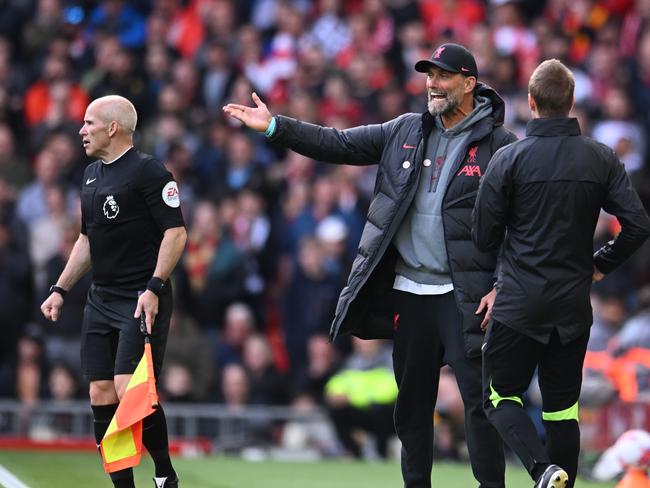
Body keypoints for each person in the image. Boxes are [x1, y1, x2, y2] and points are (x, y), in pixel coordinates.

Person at [224, 43, 517, 488]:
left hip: (465, 296)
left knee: (478, 404)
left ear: (469, 83)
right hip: (411, 292)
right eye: (428, 75)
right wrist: (276, 127)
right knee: (413, 406)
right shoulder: (404, 130)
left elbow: (518, 223)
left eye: (442, 76)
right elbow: (337, 144)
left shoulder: (500, 145)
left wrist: (501, 283)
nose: (432, 84)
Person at [472, 59, 650, 488]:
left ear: (531, 103)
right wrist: (600, 264)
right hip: (572, 304)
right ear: (571, 103)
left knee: (498, 398)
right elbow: (638, 225)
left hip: (519, 301)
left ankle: (541, 469)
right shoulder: (600, 158)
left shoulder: (509, 159)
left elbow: (482, 235)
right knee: (561, 410)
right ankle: (559, 479)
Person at [40, 95, 187, 488]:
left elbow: (176, 233)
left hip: (141, 298)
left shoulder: (150, 172)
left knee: (129, 387)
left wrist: (155, 286)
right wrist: (60, 289)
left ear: (112, 128)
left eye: (89, 123)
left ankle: (163, 471)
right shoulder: (89, 176)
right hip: (100, 299)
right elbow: (86, 241)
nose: (81, 130)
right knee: (101, 390)